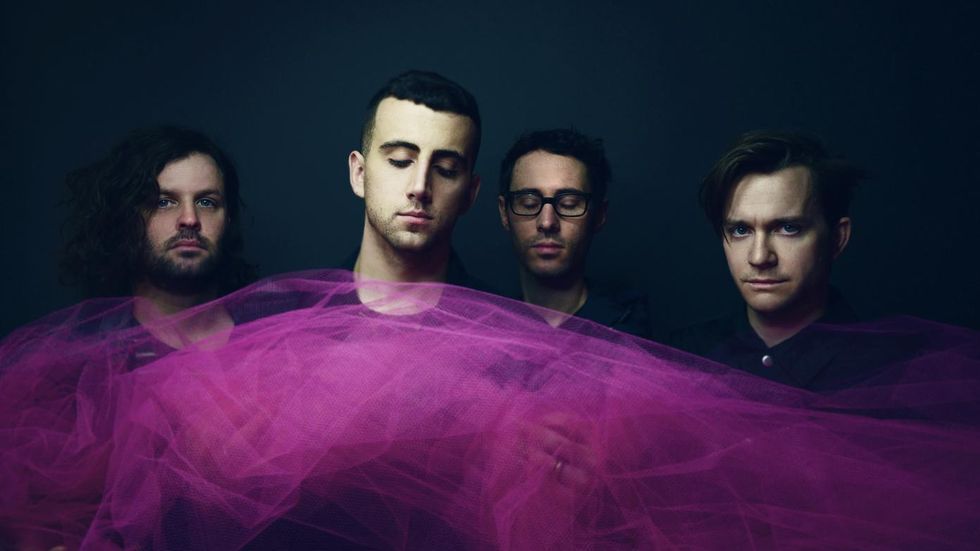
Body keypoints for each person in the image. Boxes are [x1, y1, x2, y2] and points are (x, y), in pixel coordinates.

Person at [670, 130, 889, 390]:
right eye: (741, 230)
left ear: (837, 238)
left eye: (788, 228)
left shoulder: (887, 370)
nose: (759, 257)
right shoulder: (682, 355)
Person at [345, 70, 489, 293]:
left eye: (446, 170)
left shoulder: (497, 314)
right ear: (359, 173)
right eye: (400, 161)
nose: (420, 187)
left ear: (470, 194)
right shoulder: (295, 307)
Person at [497, 128, 650, 337]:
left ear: (599, 215)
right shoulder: (485, 330)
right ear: (504, 213)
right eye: (529, 203)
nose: (547, 222)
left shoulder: (632, 330)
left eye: (569, 204)